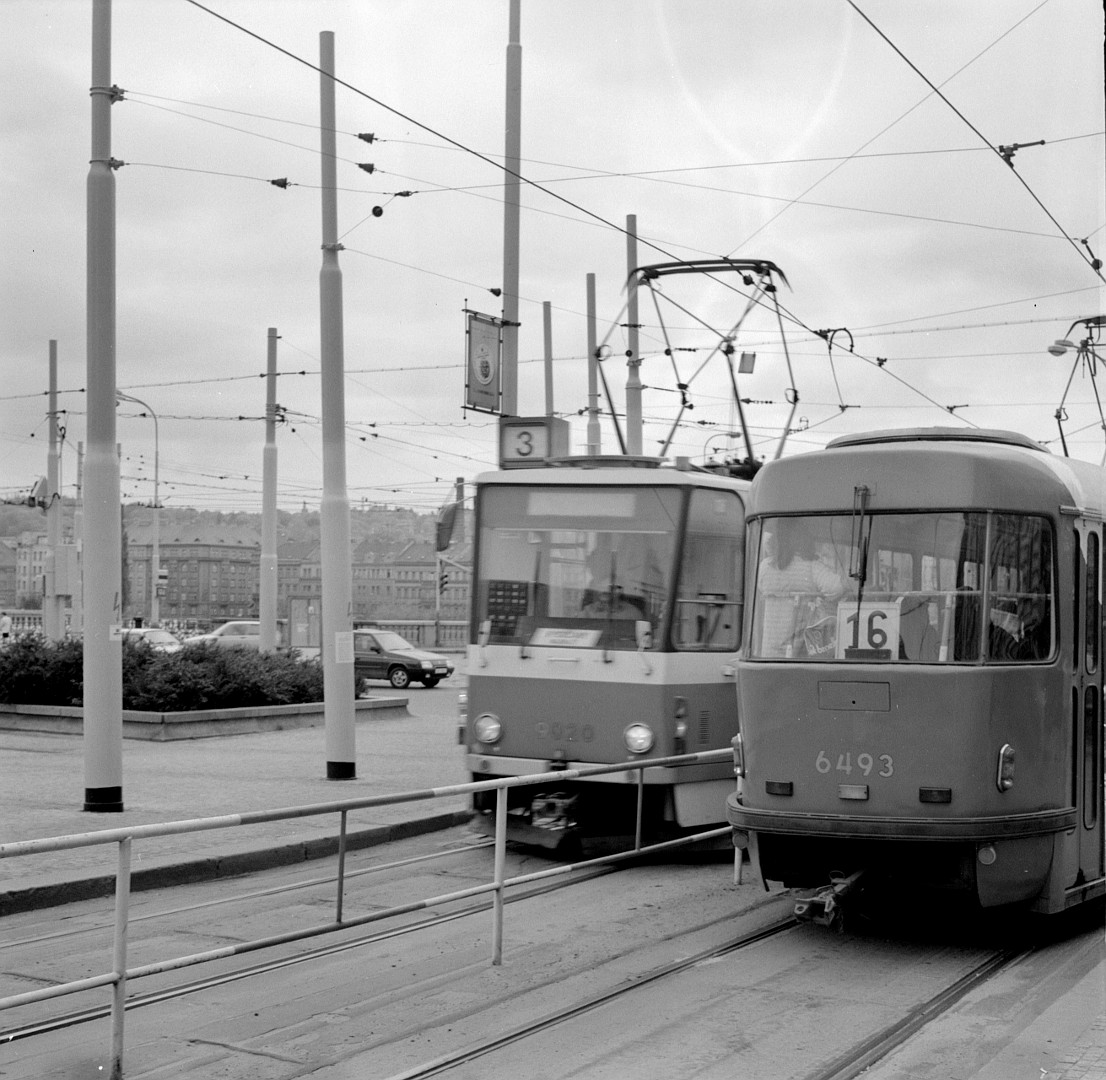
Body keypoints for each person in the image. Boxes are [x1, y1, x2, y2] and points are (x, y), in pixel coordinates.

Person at [757, 519, 848, 657]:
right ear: (803, 538)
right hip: (797, 651)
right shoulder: (811, 566)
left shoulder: (765, 567)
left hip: (768, 652)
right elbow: (835, 588)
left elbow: (760, 589)